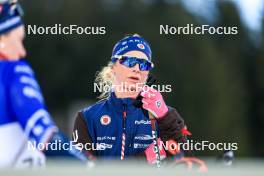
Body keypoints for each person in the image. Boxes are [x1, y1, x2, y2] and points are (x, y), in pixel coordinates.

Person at [73, 34, 191, 164]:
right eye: (129, 61)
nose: (136, 69)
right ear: (113, 68)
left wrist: (165, 117)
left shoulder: (166, 114)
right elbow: (84, 169)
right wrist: (146, 157)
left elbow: (187, 159)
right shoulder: (87, 118)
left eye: (144, 64)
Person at [0, 0, 89, 168]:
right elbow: (45, 135)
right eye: (18, 40)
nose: (22, 51)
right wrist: (90, 167)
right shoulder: (13, 71)